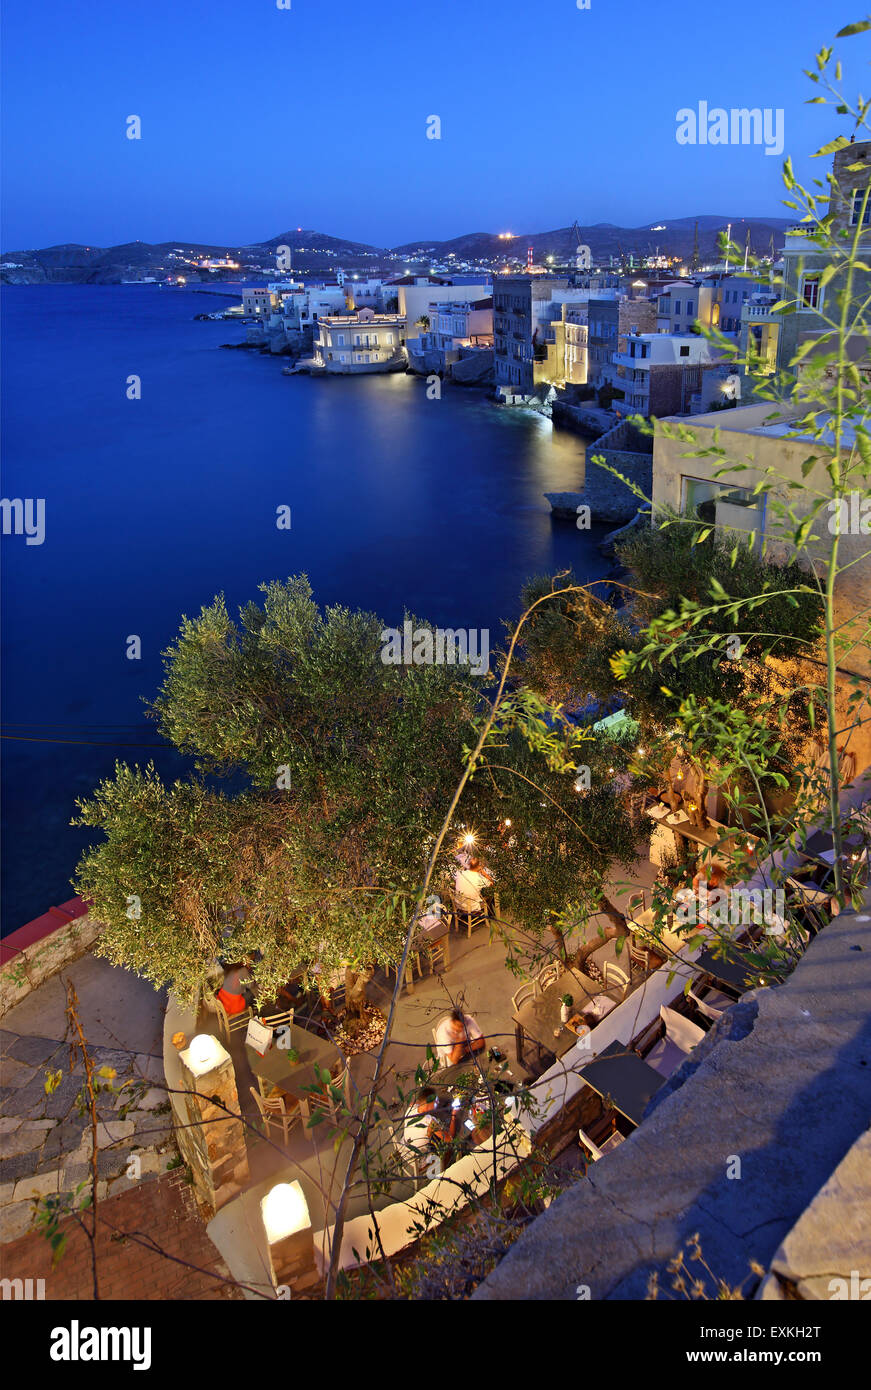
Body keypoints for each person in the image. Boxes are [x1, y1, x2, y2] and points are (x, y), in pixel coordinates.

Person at [403, 1086, 458, 1154]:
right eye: (436, 1101)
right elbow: (449, 1139)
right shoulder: (430, 1122)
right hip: (417, 1156)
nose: (438, 1102)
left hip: (405, 1146)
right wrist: (453, 1115)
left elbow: (414, 1103)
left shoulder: (410, 1109)